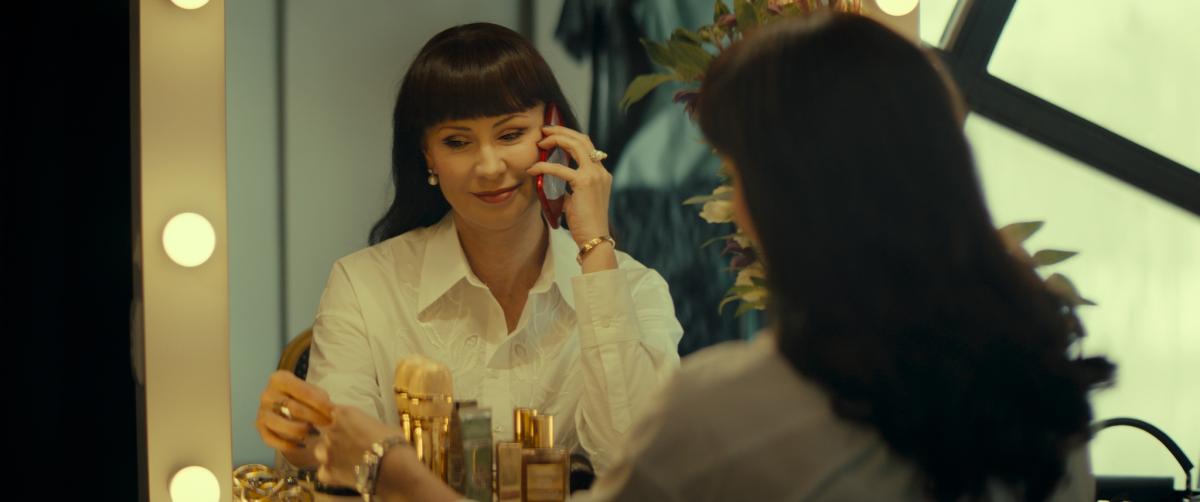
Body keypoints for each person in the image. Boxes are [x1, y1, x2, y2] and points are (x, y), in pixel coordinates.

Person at [307, 12, 1115, 502]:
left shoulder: (730, 411)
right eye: (457, 141)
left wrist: (395, 472)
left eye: (736, 175)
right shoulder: (1046, 402)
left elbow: (626, 452)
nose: (488, 165)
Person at [253, 22, 684, 478]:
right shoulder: (363, 286)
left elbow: (635, 463)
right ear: (428, 156)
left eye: (511, 134)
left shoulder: (635, 288)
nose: (489, 166)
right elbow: (345, 458)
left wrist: (596, 246)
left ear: (554, 133)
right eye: (457, 142)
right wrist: (306, 439)